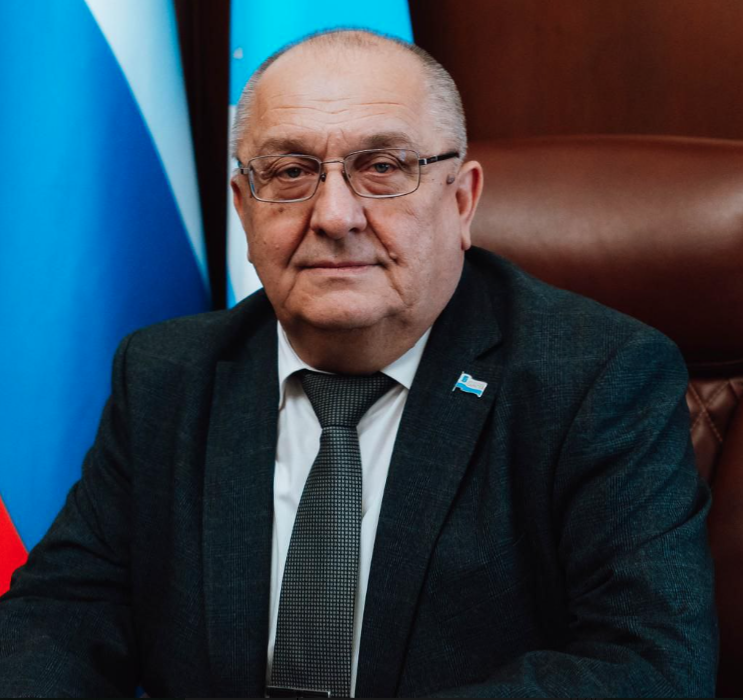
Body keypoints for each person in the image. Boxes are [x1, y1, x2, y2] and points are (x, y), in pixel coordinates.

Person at [0, 29, 717, 698]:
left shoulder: (595, 377)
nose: (335, 215)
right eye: (290, 172)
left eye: (382, 167)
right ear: (244, 208)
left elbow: (647, 664)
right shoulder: (167, 373)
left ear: (462, 200)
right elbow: (61, 613)